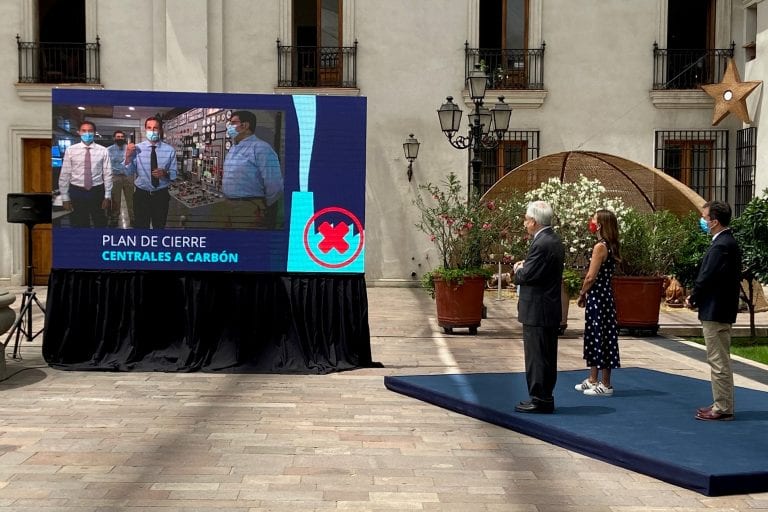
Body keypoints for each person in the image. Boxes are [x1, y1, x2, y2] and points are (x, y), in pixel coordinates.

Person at [686, 200, 742, 421]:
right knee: (721, 359)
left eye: (705, 217)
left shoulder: (721, 245)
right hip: (721, 309)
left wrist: (693, 297)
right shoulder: (727, 242)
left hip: (716, 310)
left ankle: (722, 407)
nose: (703, 221)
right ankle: (722, 402)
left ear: (715, 221)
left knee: (718, 361)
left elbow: (707, 276)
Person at [513, 200, 565, 413]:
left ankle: (539, 398)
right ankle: (544, 396)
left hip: (538, 309)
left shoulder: (542, 243)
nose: (525, 223)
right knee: (546, 355)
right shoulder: (553, 240)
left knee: (537, 356)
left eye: (526, 220)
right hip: (547, 307)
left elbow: (527, 276)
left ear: (534, 221)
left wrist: (518, 269)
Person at [574, 209, 621, 396]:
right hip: (603, 297)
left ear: (600, 225)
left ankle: (606, 384)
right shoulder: (610, 245)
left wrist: (582, 292)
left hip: (598, 297)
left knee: (602, 336)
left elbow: (591, 276)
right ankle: (593, 379)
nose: (591, 222)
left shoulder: (600, 247)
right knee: (595, 335)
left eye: (593, 219)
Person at [215, 110, 283, 229]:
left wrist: (259, 205)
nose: (229, 127)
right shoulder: (233, 148)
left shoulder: (262, 148)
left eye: (233, 123)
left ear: (245, 125)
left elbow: (274, 185)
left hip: (249, 207)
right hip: (227, 204)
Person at [125, 117, 177, 229]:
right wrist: (128, 156)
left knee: (159, 227)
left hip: (161, 196)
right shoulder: (137, 149)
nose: (152, 131)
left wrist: (165, 173)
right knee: (141, 227)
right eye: (149, 128)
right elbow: (128, 172)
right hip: (141, 196)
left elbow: (174, 175)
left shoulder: (170, 150)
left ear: (160, 130)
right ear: (145, 129)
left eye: (155, 128)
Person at [58, 121, 112, 228]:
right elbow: (65, 174)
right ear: (79, 132)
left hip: (97, 191)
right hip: (76, 191)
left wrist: (107, 196)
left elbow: (108, 174)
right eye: (84, 131)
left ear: (94, 132)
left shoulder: (103, 151)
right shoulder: (71, 150)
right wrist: (65, 198)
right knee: (79, 224)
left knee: (100, 222)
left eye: (90, 131)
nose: (87, 133)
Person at [107, 130, 134, 227]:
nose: (120, 138)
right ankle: (114, 219)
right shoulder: (108, 150)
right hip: (115, 177)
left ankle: (133, 219)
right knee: (115, 200)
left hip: (128, 176)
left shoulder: (130, 149)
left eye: (122, 136)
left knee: (131, 199)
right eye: (118, 136)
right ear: (114, 138)